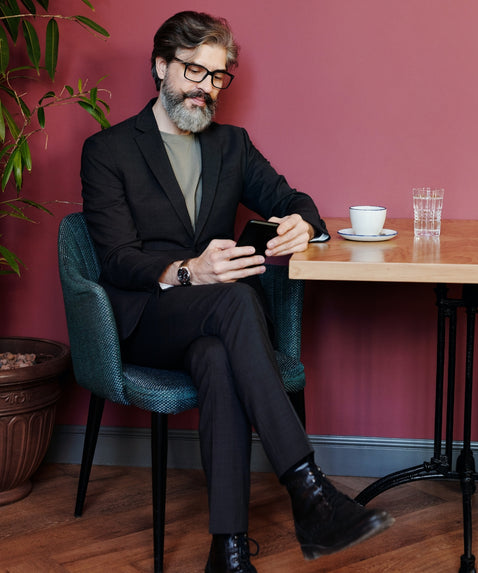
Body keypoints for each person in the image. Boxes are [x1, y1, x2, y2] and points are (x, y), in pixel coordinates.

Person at [80, 11, 393, 572]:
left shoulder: (232, 146)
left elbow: (294, 198)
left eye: (218, 77)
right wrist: (187, 271)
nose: (206, 88)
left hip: (218, 325)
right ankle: (309, 489)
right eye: (193, 72)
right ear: (160, 66)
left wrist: (306, 224)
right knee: (233, 297)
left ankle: (226, 553)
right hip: (147, 319)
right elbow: (116, 259)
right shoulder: (108, 151)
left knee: (218, 356)